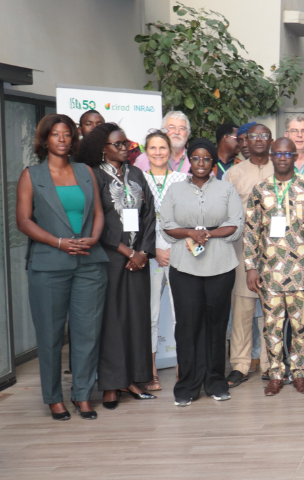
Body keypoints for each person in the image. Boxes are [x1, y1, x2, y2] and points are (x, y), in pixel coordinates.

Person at [17, 114, 108, 420]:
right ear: (45, 140)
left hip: (89, 263)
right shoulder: (31, 175)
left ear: (73, 139)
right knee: (50, 336)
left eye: (67, 134)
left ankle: (82, 395)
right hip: (48, 265)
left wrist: (93, 238)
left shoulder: (85, 172)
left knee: (87, 333)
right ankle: (54, 398)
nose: (61, 139)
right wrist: (59, 243)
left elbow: (98, 213)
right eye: (55, 134)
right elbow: (23, 221)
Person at [78, 123, 158, 409]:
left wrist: (142, 252)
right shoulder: (93, 175)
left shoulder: (136, 174)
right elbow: (93, 219)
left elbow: (149, 216)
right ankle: (111, 385)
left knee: (137, 318)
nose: (125, 148)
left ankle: (133, 380)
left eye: (127, 144)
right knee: (112, 321)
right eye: (119, 144)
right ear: (103, 148)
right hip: (109, 258)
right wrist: (125, 250)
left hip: (138, 260)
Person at [160, 138, 244, 406]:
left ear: (213, 162)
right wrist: (190, 233)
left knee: (216, 326)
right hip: (184, 266)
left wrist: (207, 234)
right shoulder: (175, 190)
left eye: (206, 158)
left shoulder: (226, 188)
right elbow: (166, 224)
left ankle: (215, 382)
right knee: (187, 325)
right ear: (189, 160)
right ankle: (187, 386)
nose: (201, 163)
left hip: (220, 265)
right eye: (196, 157)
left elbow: (236, 223)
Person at [243, 138, 304, 396]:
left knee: (301, 327)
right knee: (272, 327)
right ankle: (275, 375)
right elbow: (251, 230)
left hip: (302, 271)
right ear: (271, 156)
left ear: (296, 156)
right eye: (278, 153)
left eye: (288, 153)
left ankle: (299, 374)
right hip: (269, 272)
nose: (283, 158)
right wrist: (251, 267)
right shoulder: (260, 189)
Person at [223, 124, 275, 387]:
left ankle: (269, 364)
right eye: (253, 136)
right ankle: (240, 365)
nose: (259, 140)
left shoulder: (281, 168)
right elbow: (225, 213)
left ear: (271, 141)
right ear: (245, 141)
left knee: (271, 310)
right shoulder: (234, 174)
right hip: (242, 251)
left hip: (276, 252)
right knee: (242, 310)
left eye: (264, 136)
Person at [143, 131, 187, 392]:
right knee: (150, 315)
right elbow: (135, 222)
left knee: (180, 313)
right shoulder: (138, 179)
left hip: (179, 254)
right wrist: (153, 250)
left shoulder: (182, 179)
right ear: (145, 151)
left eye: (162, 148)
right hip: (150, 256)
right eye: (153, 148)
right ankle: (151, 372)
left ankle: (183, 368)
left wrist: (174, 248)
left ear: (170, 152)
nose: (158, 152)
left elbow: (189, 218)